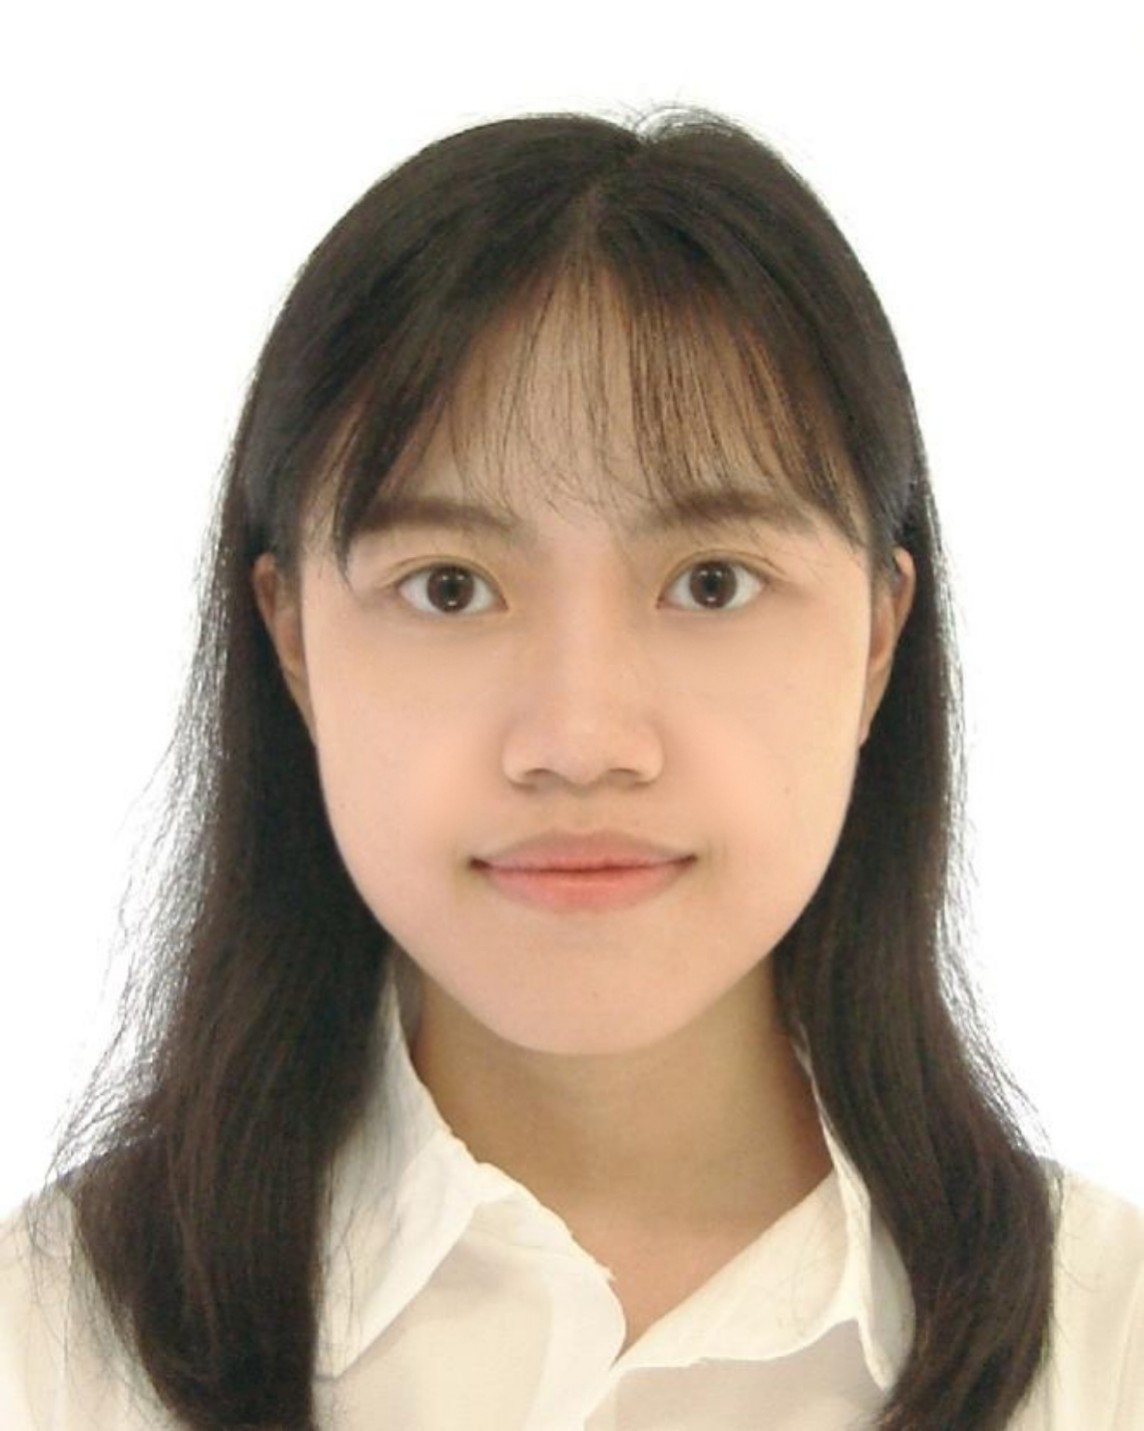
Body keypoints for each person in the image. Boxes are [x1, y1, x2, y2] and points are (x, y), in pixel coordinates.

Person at [1, 105, 1140, 1431]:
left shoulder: (1108, 1348)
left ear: (879, 639)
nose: (580, 741)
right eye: (449, 586)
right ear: (293, 640)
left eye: (712, 583)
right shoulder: (48, 1349)